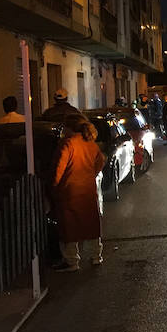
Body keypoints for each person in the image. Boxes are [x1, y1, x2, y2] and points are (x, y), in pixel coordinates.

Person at [50, 113, 106, 272]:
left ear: (69, 128)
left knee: (69, 227)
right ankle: (96, 255)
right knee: (91, 223)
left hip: (69, 191)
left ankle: (71, 260)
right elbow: (100, 161)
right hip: (87, 189)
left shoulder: (67, 144)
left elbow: (58, 169)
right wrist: (90, 175)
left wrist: (54, 186)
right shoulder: (90, 144)